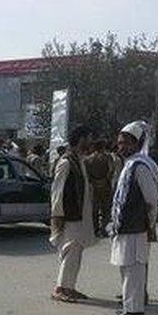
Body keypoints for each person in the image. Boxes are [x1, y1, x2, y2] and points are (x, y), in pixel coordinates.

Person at [108, 122, 158, 315]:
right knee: (126, 268)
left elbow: (151, 200)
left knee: (134, 271)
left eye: (125, 143)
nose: (120, 146)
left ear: (135, 144)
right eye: (119, 142)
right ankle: (130, 307)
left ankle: (134, 311)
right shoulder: (129, 165)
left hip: (136, 227)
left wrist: (150, 225)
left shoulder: (140, 166)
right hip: (125, 226)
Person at [49, 125, 96, 303]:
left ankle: (70, 287)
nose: (90, 142)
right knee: (69, 250)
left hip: (80, 215)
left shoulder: (79, 161)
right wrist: (58, 217)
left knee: (76, 251)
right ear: (80, 139)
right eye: (87, 138)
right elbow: (57, 192)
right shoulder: (66, 162)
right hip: (69, 216)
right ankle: (60, 288)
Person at [84, 139, 116, 237]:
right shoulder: (108, 157)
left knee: (94, 209)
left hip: (93, 186)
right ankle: (104, 229)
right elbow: (111, 170)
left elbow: (87, 174)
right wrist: (105, 180)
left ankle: (95, 229)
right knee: (106, 209)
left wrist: (94, 181)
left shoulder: (88, 159)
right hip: (105, 186)